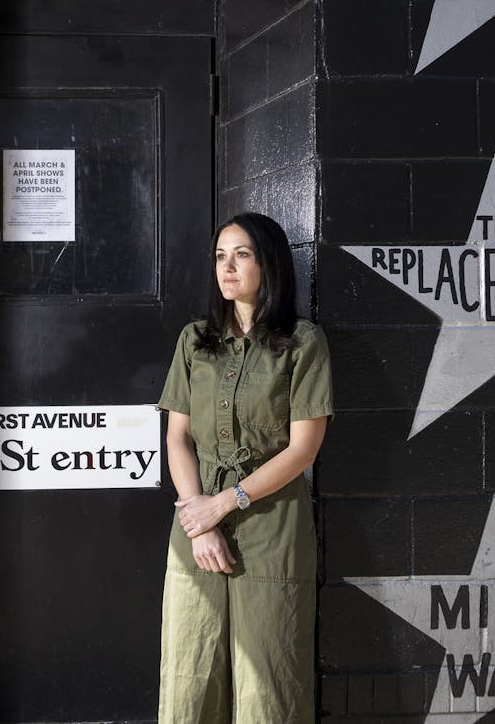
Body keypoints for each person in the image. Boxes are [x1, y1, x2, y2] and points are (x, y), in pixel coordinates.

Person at [156, 212, 333, 724]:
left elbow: (302, 450)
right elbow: (178, 436)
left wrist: (225, 503)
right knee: (191, 669)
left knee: (270, 678)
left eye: (242, 254)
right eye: (219, 256)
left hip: (272, 525)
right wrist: (199, 518)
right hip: (196, 524)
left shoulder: (303, 343)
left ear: (270, 263)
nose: (226, 267)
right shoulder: (194, 340)